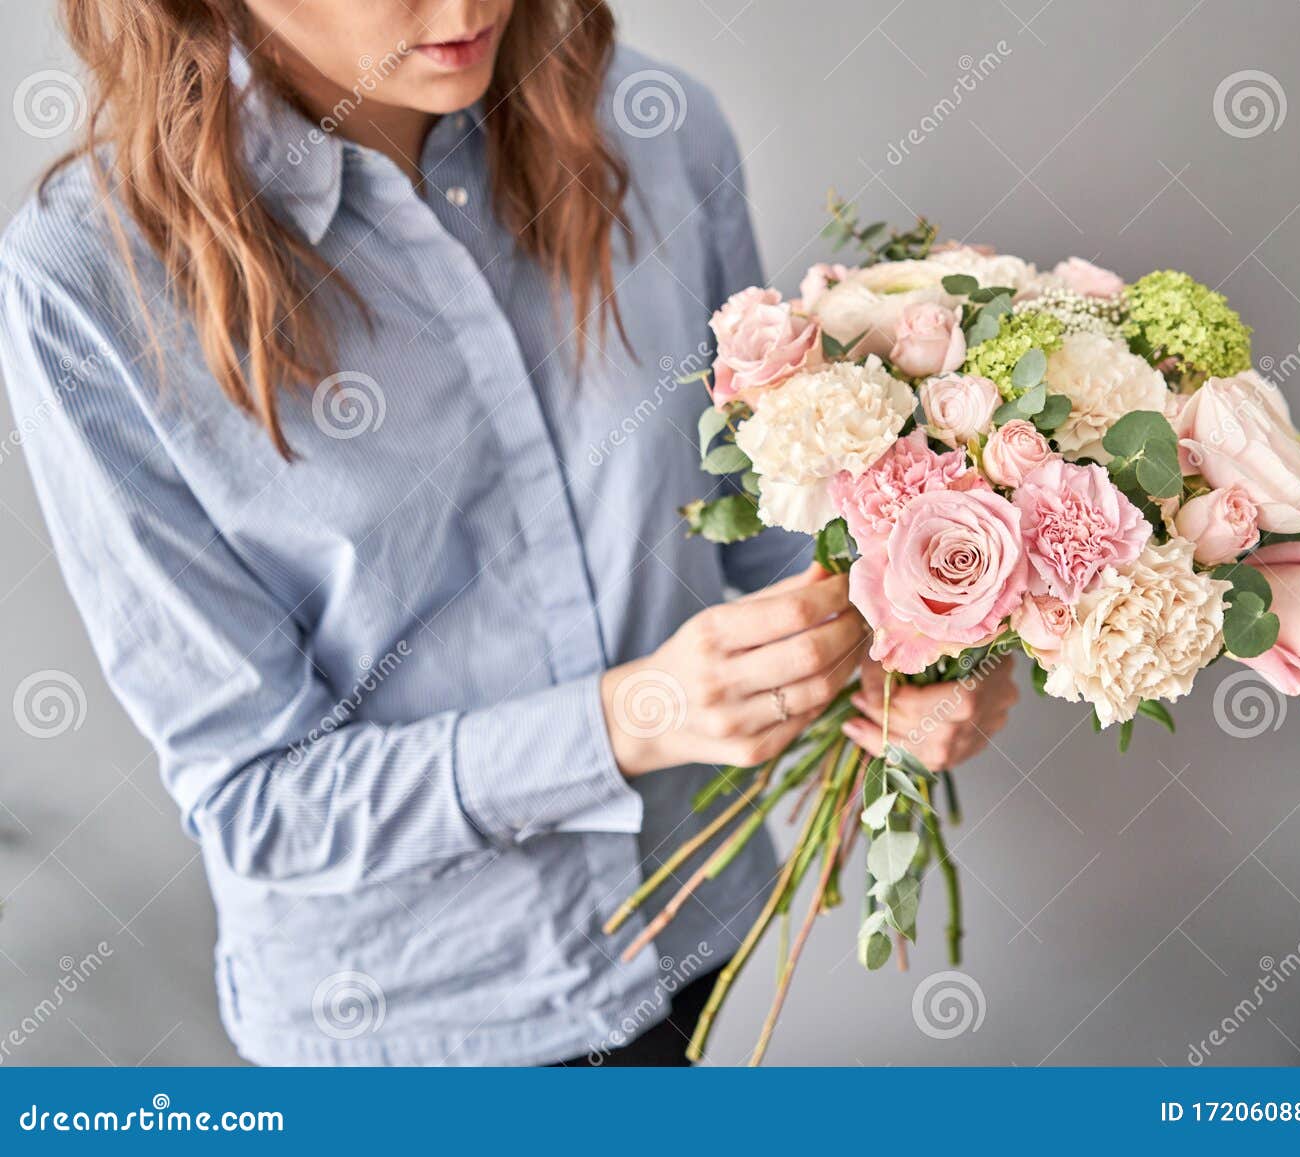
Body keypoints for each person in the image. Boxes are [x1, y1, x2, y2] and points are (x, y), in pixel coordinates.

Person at [0, 0, 1018, 1066]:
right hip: (411, 1032)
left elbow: (766, 532)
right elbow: (260, 800)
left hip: (691, 938)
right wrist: (623, 721)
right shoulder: (88, 279)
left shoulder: (661, 132)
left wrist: (918, 649)